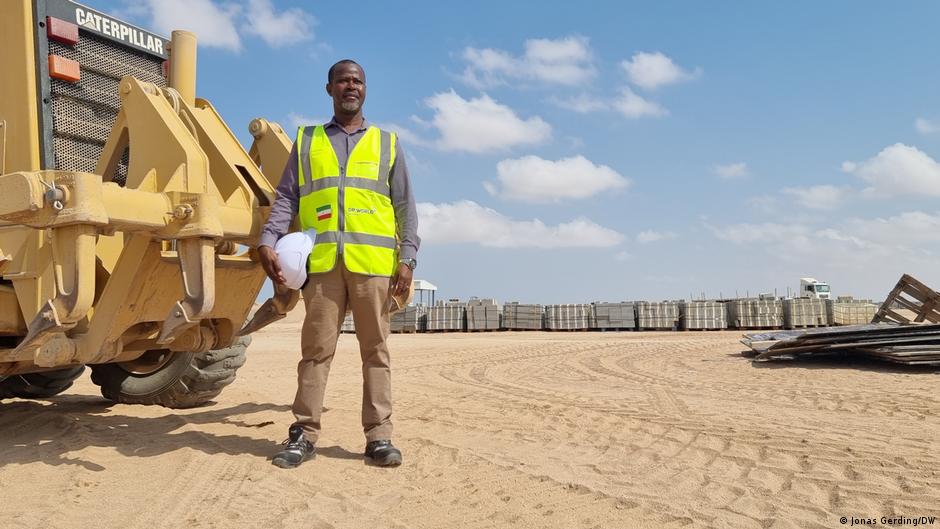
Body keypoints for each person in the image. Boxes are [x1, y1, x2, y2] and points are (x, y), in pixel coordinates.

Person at [258, 59, 419, 469]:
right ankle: (304, 434)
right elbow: (285, 198)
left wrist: (408, 258)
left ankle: (379, 437)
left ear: (366, 89)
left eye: (358, 81)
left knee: (376, 352)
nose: (352, 86)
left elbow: (404, 206)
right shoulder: (307, 140)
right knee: (315, 351)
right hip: (324, 266)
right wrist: (267, 241)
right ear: (329, 88)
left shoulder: (387, 142)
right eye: (343, 80)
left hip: (372, 266)